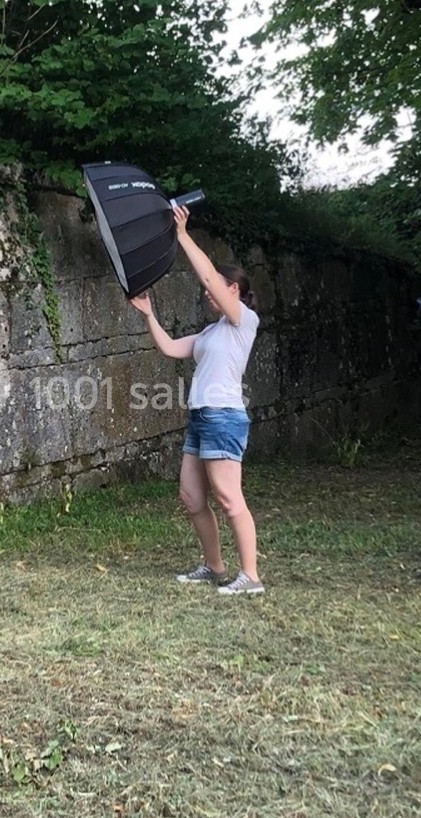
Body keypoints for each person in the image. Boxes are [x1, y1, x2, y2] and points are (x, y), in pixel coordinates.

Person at [129, 205, 263, 595]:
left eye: (216, 287)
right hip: (202, 417)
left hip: (224, 417)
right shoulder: (210, 332)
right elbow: (171, 348)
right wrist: (149, 314)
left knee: (227, 496)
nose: (208, 292)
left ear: (233, 289)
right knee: (191, 496)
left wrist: (183, 234)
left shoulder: (243, 321)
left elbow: (207, 273)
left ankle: (251, 577)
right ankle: (215, 566)